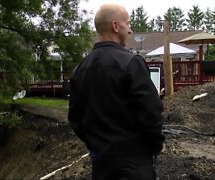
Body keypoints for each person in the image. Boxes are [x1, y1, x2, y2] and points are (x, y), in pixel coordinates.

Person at [68, 3, 165, 180]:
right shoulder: (131, 63)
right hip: (134, 164)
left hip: (101, 165)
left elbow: (75, 118)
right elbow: (151, 113)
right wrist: (154, 146)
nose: (130, 30)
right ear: (115, 26)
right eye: (128, 23)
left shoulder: (80, 70)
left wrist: (96, 145)